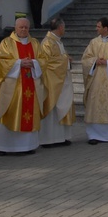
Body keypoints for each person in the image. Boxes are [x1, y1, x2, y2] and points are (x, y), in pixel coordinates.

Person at [0, 17, 47, 156]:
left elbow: (43, 60)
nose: (23, 30)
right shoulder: (6, 43)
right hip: (13, 87)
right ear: (15, 28)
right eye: (21, 27)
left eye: (26, 27)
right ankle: (6, 147)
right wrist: (18, 63)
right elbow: (0, 62)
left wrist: (34, 63)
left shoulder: (35, 43)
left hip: (31, 85)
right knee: (9, 112)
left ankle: (28, 145)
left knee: (29, 114)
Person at [39, 17, 75, 148]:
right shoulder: (47, 42)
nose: (64, 30)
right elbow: (47, 62)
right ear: (60, 27)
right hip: (52, 81)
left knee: (62, 106)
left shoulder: (57, 41)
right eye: (64, 27)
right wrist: (66, 60)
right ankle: (48, 139)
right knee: (52, 109)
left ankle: (61, 137)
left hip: (60, 79)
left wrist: (65, 59)